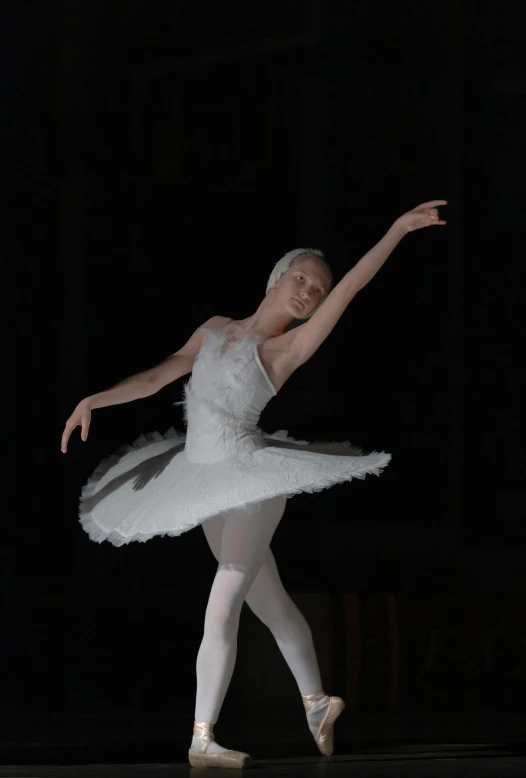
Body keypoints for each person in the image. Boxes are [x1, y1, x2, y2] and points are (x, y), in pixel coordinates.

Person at [61, 200, 446, 769]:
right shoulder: (215, 330)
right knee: (270, 600)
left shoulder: (287, 349)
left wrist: (395, 230)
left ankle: (201, 737)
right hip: (203, 479)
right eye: (301, 280)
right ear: (277, 278)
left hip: (249, 479)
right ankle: (316, 701)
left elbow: (354, 288)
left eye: (316, 290)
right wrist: (95, 398)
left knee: (227, 595)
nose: (309, 293)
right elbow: (158, 374)